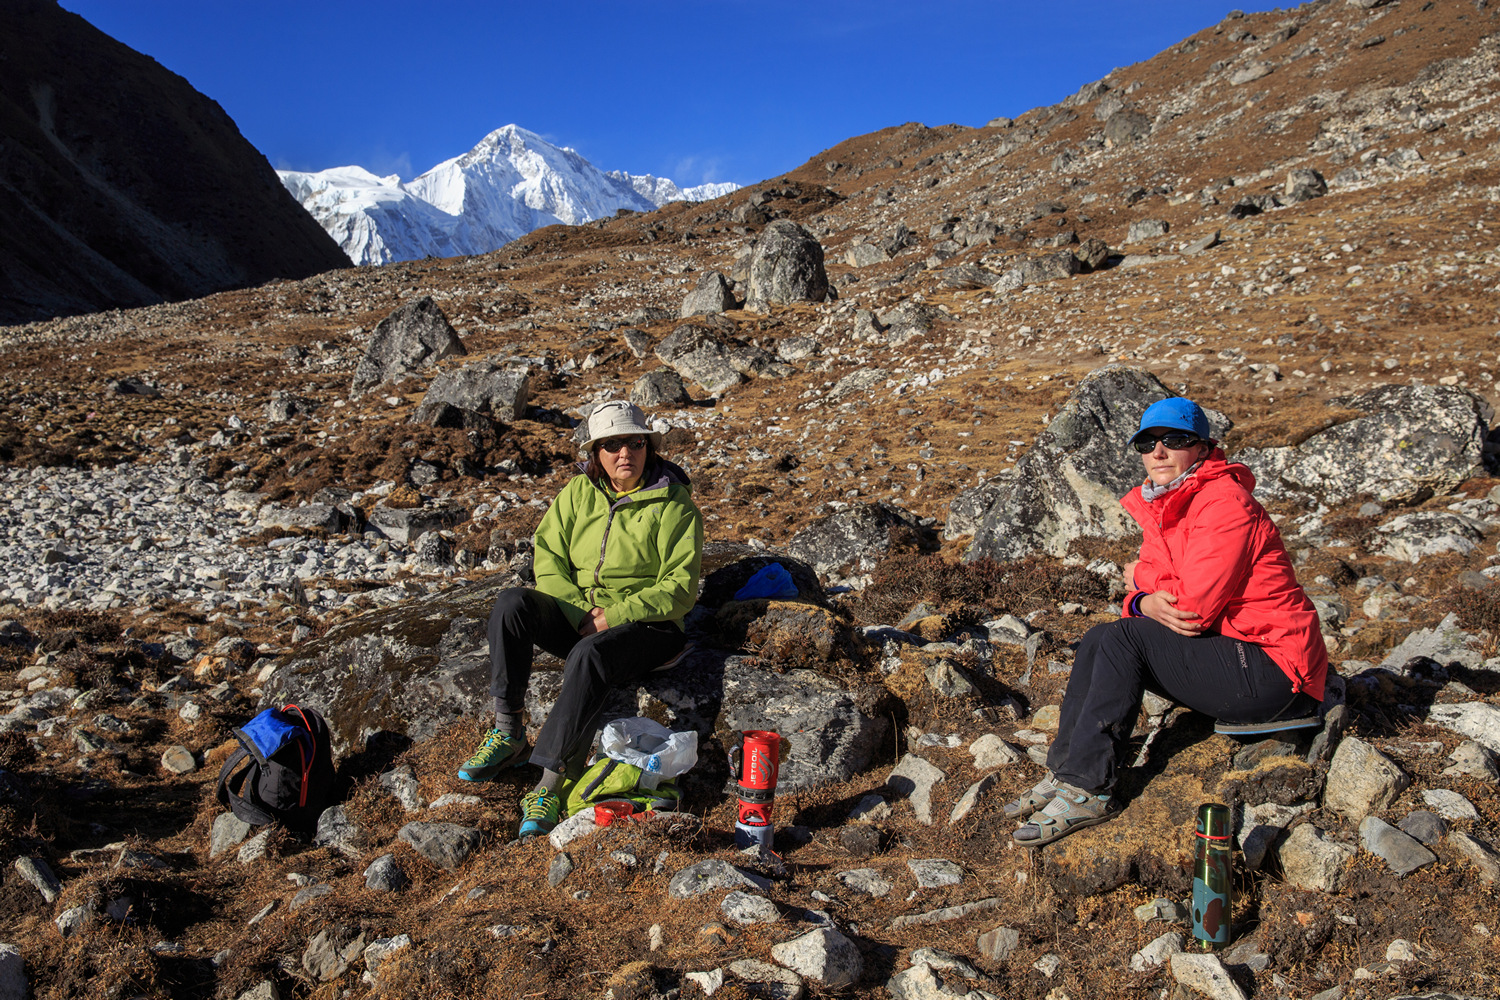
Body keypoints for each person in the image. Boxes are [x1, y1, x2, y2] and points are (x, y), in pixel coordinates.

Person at [1006, 396, 1328, 847]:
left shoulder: (1224, 503)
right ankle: (1066, 772)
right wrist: (1142, 602)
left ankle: (1089, 789)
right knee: (1102, 636)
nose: (1158, 451)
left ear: (1202, 447)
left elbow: (1190, 608)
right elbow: (1155, 603)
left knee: (1124, 641)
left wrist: (1138, 580)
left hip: (1277, 672)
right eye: (1147, 442)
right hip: (1236, 652)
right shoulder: (1165, 505)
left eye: (1175, 439)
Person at [456, 400, 704, 840]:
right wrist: (578, 610)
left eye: (633, 442)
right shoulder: (578, 492)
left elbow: (680, 588)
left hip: (652, 628)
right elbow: (547, 555)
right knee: (513, 604)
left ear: (648, 446)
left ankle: (549, 784)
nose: (623, 453)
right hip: (584, 616)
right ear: (596, 452)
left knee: (590, 656)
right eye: (611, 445)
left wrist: (615, 615)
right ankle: (509, 732)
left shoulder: (674, 503)